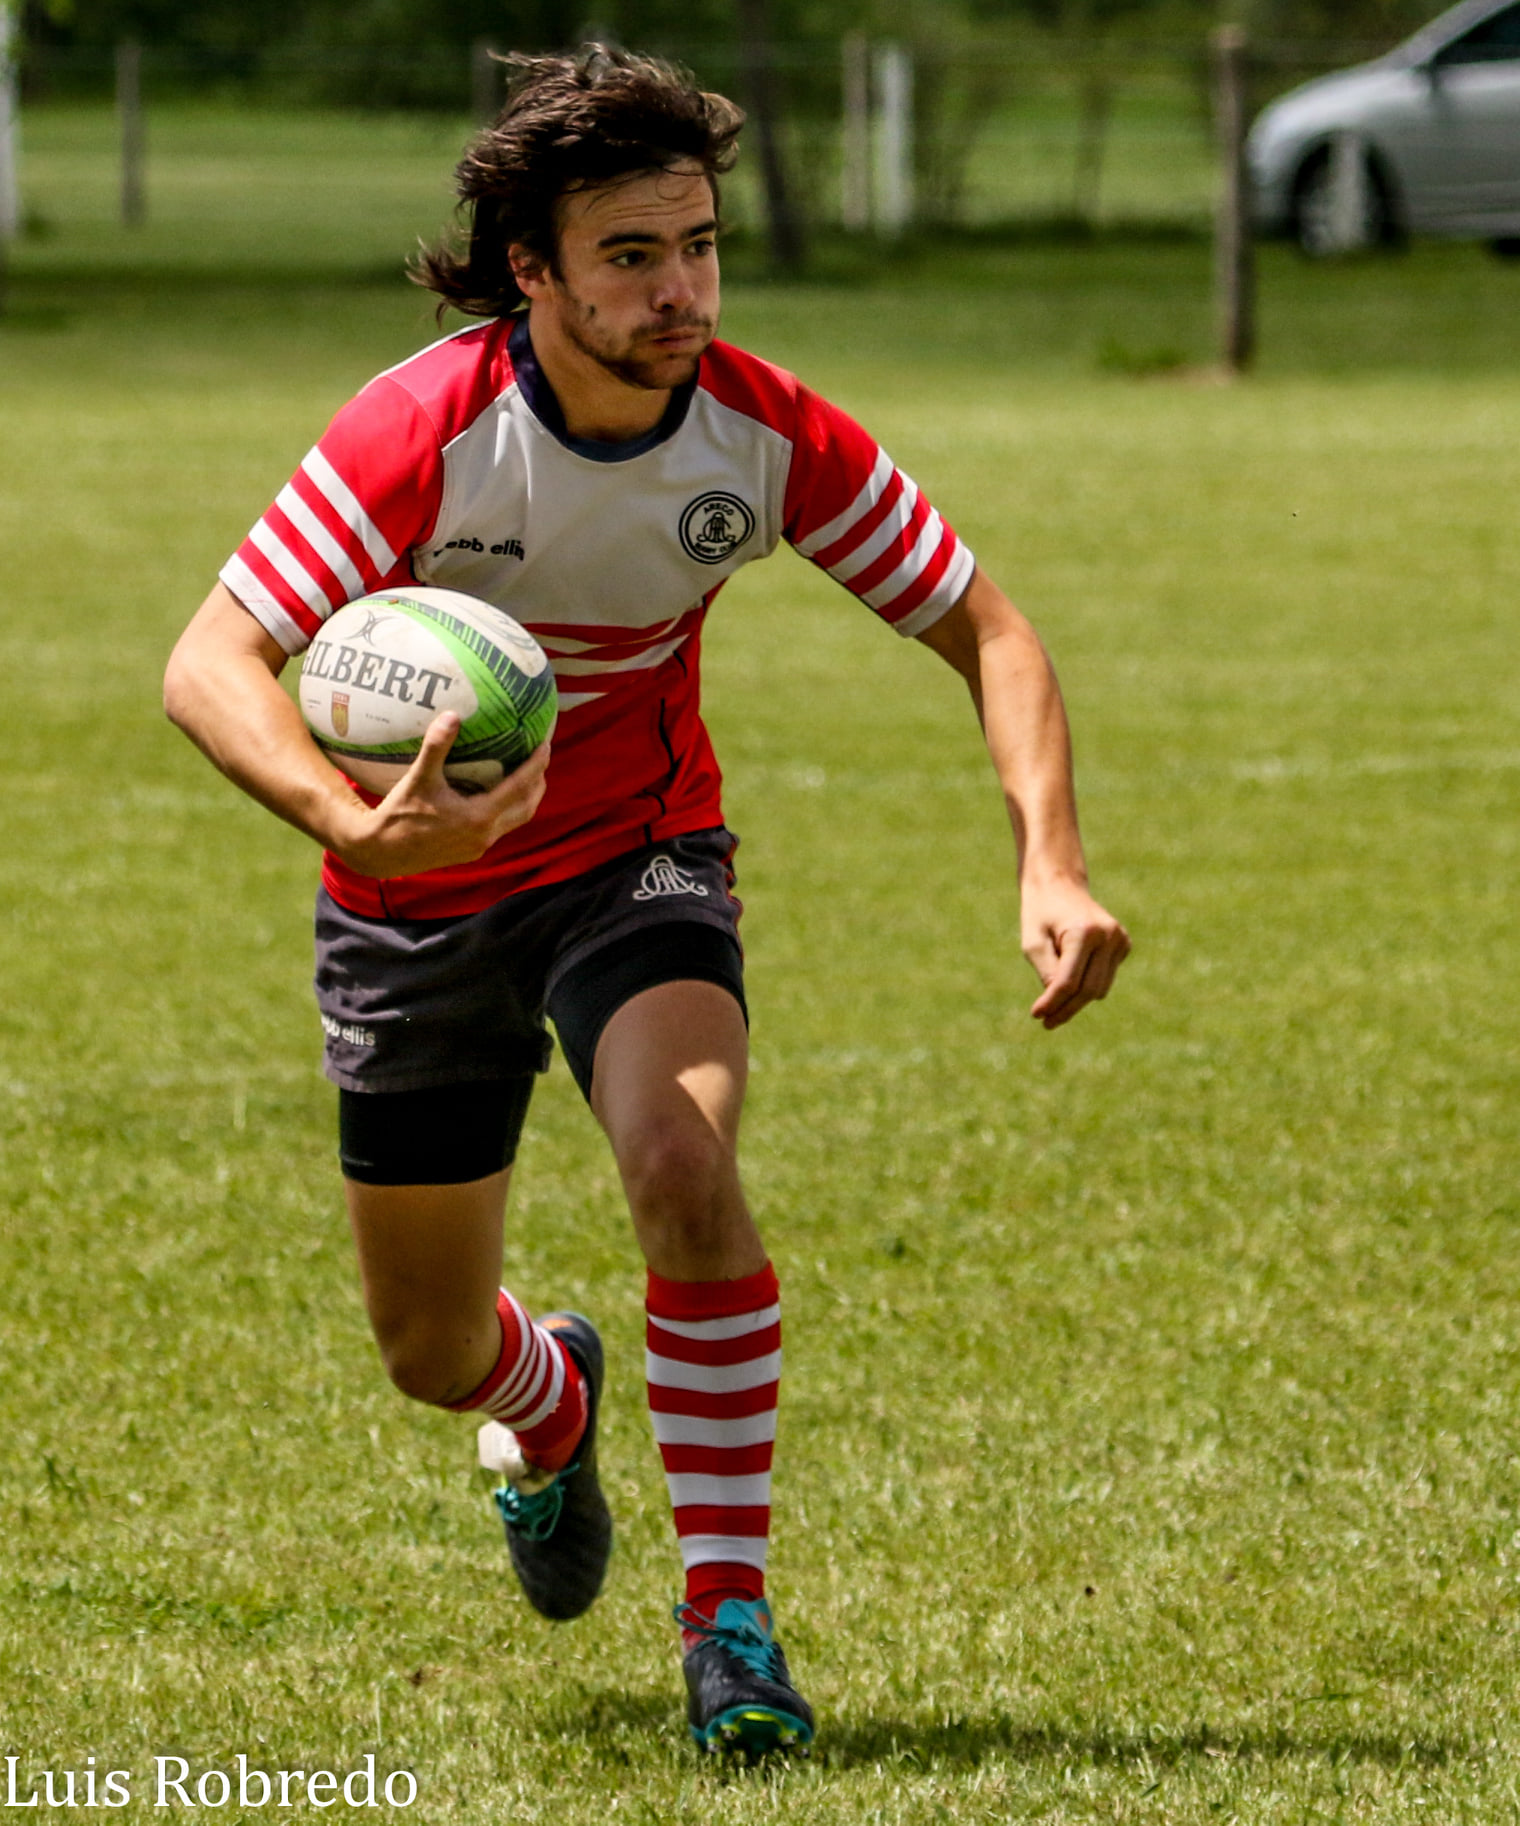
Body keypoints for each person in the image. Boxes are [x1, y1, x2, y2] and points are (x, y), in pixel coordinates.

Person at [163, 45, 1130, 1761]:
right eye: (630, 255)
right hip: (415, 902)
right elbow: (212, 658)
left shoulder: (759, 429)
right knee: (429, 1344)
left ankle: (729, 1622)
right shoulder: (424, 430)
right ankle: (550, 1398)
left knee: (686, 1166)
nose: (680, 289)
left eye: (697, 243)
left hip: (639, 854)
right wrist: (348, 820)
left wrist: (1049, 860)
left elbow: (986, 623)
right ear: (529, 271)